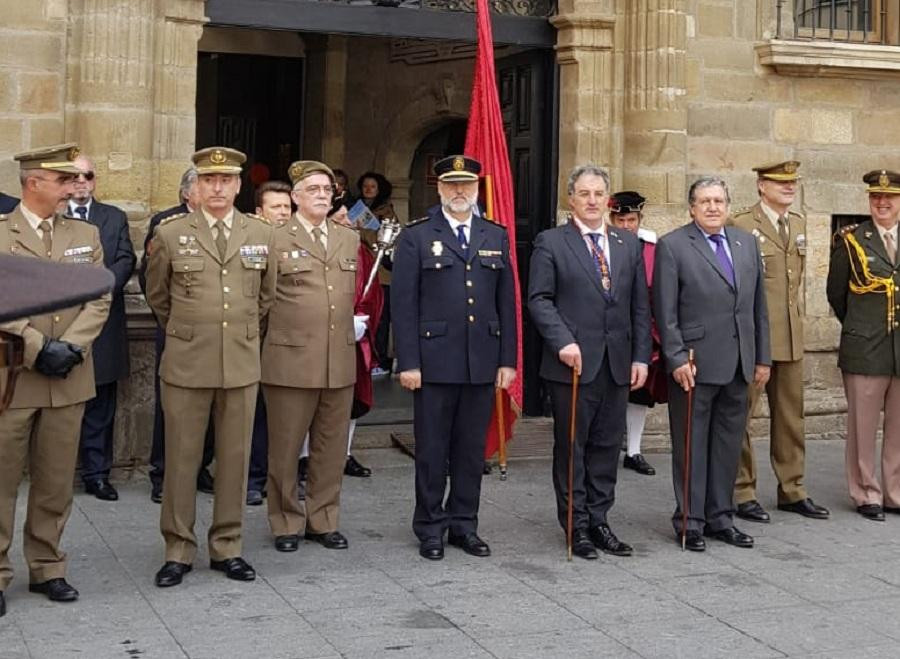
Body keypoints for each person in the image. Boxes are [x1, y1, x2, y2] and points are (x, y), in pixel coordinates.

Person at [145, 147, 276, 588]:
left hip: (239, 362)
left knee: (235, 461)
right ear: (196, 187)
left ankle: (228, 546)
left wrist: (233, 334)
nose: (217, 188)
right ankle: (178, 549)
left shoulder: (260, 233)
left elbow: (265, 298)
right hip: (186, 362)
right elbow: (158, 297)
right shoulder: (169, 234)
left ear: (240, 185)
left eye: (226, 180)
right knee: (182, 460)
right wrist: (192, 331)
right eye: (208, 180)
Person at [0, 143, 110, 614]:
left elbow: (99, 295)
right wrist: (38, 347)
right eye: (64, 181)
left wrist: (73, 348)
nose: (74, 188)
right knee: (2, 480)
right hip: (13, 379)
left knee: (55, 480)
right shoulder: (1, 234)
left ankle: (47, 566)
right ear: (34, 183)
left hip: (69, 375)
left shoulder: (85, 233)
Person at [392, 155, 517, 561]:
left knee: (469, 450)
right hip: (433, 361)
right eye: (451, 185)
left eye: (467, 185)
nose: (460, 192)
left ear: (477, 189)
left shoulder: (494, 235)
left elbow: (506, 302)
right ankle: (430, 526)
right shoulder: (416, 236)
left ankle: (464, 523)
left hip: (481, 359)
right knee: (431, 449)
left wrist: (507, 360)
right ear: (439, 189)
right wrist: (407, 362)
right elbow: (404, 305)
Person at [528, 168, 651, 560]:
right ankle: (575, 524)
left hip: (617, 363)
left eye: (599, 193)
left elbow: (639, 306)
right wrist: (562, 340)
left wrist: (640, 357)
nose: (593, 200)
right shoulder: (551, 242)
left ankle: (600, 520)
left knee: (605, 446)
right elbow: (539, 299)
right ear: (571, 199)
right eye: (585, 193)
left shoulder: (627, 244)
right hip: (573, 364)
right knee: (573, 446)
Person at [653, 176, 770, 552]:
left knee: (727, 446)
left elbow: (758, 310)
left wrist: (762, 357)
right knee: (691, 446)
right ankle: (690, 521)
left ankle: (721, 517)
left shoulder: (746, 243)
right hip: (694, 364)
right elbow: (664, 312)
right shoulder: (673, 246)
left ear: (728, 205)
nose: (713, 207)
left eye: (719, 200)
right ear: (691, 207)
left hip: (738, 364)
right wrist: (674, 358)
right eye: (704, 201)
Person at [261, 160, 360, 553]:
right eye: (313, 189)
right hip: (289, 360)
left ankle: (324, 518)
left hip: (338, 359)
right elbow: (260, 302)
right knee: (285, 448)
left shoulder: (348, 238)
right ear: (295, 197)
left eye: (327, 189)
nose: (322, 195)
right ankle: (285, 521)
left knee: (331, 447)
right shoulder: (274, 238)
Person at [730, 161, 829, 523]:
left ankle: (793, 488)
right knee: (741, 416)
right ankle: (742, 490)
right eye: (780, 182)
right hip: (756, 340)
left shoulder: (798, 223)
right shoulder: (740, 224)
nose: (789, 187)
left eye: (792, 182)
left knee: (791, 418)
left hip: (790, 338)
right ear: (761, 185)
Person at [826, 169, 900, 522]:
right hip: (865, 349)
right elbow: (836, 295)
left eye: (890, 198)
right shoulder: (852, 239)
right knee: (862, 425)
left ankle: (894, 492)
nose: (882, 203)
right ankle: (866, 491)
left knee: (899, 427)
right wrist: (861, 328)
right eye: (876, 197)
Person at [296, 198, 384, 486]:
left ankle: (344, 453)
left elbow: (373, 292)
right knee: (313, 397)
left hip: (356, 338)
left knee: (352, 397)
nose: (348, 222)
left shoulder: (361, 249)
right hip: (318, 335)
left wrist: (363, 318)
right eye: (342, 217)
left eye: (350, 217)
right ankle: (305, 456)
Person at [140, 167, 215, 503]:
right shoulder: (166, 224)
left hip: (216, 333)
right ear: (188, 193)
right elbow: (152, 282)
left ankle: (201, 467)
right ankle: (163, 473)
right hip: (176, 330)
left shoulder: (228, 224)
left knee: (213, 404)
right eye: (205, 185)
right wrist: (174, 322)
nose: (214, 191)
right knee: (172, 406)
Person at [69, 155, 136, 502]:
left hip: (105, 322)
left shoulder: (114, 217)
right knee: (60, 405)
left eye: (88, 175)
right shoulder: (52, 216)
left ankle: (97, 474)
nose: (81, 182)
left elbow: (126, 258)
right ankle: (59, 473)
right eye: (75, 176)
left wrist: (99, 288)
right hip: (61, 324)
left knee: (101, 405)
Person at [608, 190, 664, 477]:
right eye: (621, 219)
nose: (627, 225)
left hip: (643, 330)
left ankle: (634, 450)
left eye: (631, 219)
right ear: (611, 219)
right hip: (610, 330)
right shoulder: (601, 244)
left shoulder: (653, 247)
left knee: (639, 393)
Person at [246, 180, 294, 506]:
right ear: (259, 212)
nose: (282, 213)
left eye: (286, 207)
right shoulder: (248, 243)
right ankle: (253, 477)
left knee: (287, 415)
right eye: (275, 207)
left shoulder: (299, 241)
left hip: (291, 342)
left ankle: (286, 478)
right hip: (255, 340)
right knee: (255, 413)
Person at [358, 171, 395, 376]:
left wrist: (360, 230)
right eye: (365, 185)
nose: (368, 189)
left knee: (380, 318)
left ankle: (379, 360)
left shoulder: (386, 212)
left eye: (373, 186)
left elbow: (382, 240)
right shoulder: (356, 208)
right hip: (359, 271)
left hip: (380, 273)